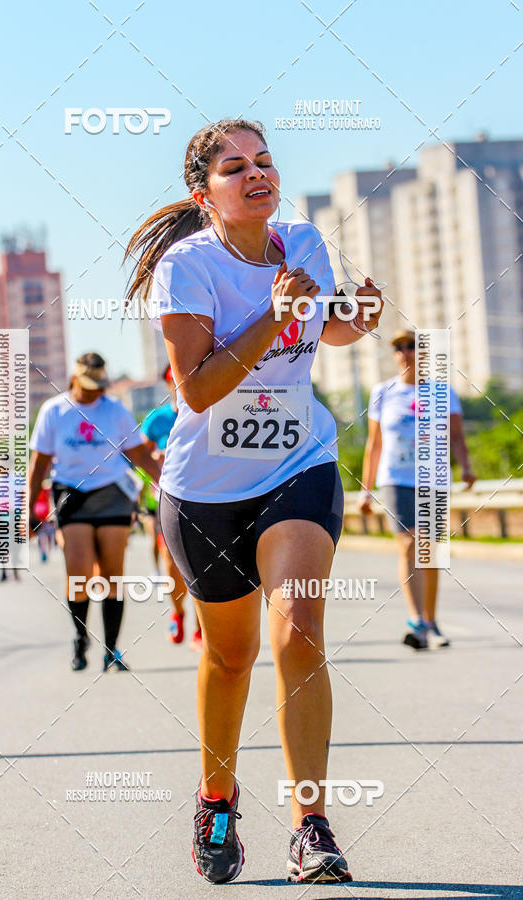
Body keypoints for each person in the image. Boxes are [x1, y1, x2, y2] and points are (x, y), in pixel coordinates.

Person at [124, 119, 383, 884]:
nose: (256, 174)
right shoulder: (187, 267)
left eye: (264, 161)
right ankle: (216, 796)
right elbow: (196, 389)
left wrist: (350, 320)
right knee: (230, 655)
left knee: (299, 630)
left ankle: (312, 826)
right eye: (235, 167)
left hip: (297, 463)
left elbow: (319, 331)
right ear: (203, 193)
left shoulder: (302, 240)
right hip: (205, 491)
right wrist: (274, 312)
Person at [28, 352, 161, 672]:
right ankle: (80, 635)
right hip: (70, 494)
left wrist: (169, 485)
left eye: (100, 386)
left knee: (112, 575)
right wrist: (28, 509)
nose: (95, 392)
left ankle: (111, 649)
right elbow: (40, 464)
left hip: (112, 493)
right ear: (75, 380)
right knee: (79, 574)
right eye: (89, 387)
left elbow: (140, 455)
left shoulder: (114, 410)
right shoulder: (54, 411)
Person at [359, 329, 476, 649]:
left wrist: (466, 466)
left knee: (431, 550)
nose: (406, 352)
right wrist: (365, 490)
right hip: (395, 478)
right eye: (399, 347)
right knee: (410, 545)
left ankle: (431, 621)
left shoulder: (443, 392)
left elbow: (457, 435)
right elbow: (375, 444)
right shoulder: (382, 392)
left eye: (412, 346)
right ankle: (417, 620)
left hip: (433, 477)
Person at [141, 364, 202, 649]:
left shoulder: (210, 409)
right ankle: (178, 612)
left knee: (205, 563)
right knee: (171, 561)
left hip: (206, 494)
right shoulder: (157, 420)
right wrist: (156, 457)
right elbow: (138, 456)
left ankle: (202, 626)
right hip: (167, 497)